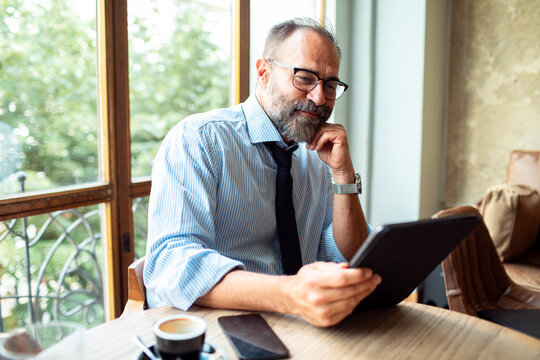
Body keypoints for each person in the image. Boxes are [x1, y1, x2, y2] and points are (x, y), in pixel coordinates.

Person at [144, 17, 381, 327]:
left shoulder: (316, 158)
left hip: (304, 325)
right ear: (264, 72)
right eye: (305, 78)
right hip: (222, 328)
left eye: (330, 84)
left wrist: (343, 176)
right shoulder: (199, 139)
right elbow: (171, 261)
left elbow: (346, 252)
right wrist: (289, 293)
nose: (320, 97)